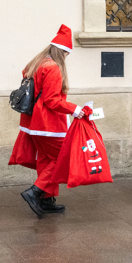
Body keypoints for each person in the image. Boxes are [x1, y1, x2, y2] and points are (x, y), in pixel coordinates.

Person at [15, 24, 90, 217]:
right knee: (60, 159)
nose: (66, 58)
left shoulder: (36, 63)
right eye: (66, 53)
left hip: (33, 124)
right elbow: (52, 100)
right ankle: (36, 191)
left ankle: (46, 199)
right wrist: (76, 109)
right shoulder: (53, 68)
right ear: (62, 51)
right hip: (48, 125)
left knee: (46, 159)